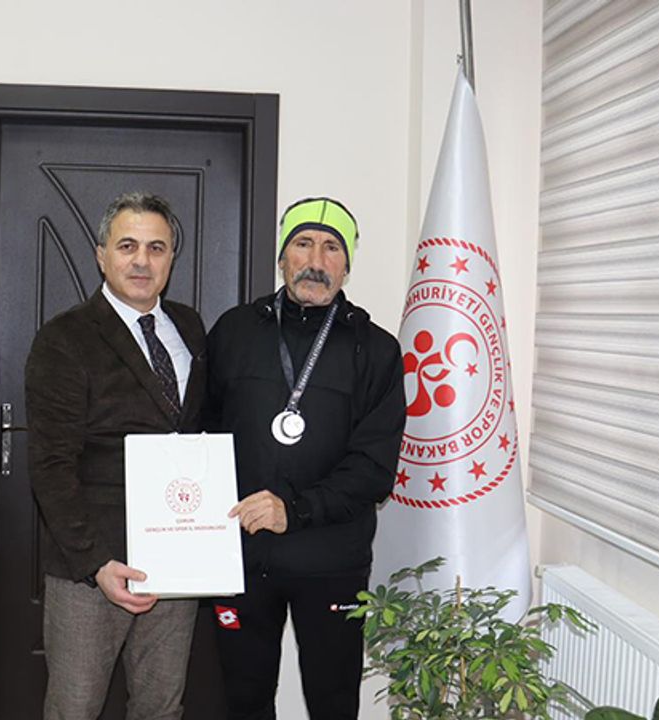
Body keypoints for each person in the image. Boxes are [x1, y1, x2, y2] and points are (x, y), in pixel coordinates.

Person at [206, 196, 406, 719]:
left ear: (347, 264)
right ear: (282, 258)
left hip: (331, 561)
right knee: (242, 700)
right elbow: (199, 435)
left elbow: (374, 470)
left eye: (331, 247)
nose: (316, 260)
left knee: (333, 703)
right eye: (303, 243)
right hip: (239, 558)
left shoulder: (377, 350)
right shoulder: (233, 331)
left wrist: (292, 511)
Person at [25, 192, 207, 720]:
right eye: (128, 246)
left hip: (176, 559)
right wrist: (96, 563)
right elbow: (51, 465)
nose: (142, 261)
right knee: (75, 708)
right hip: (93, 567)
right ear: (101, 255)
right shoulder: (65, 338)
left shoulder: (190, 328)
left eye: (157, 247)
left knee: (161, 707)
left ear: (171, 259)